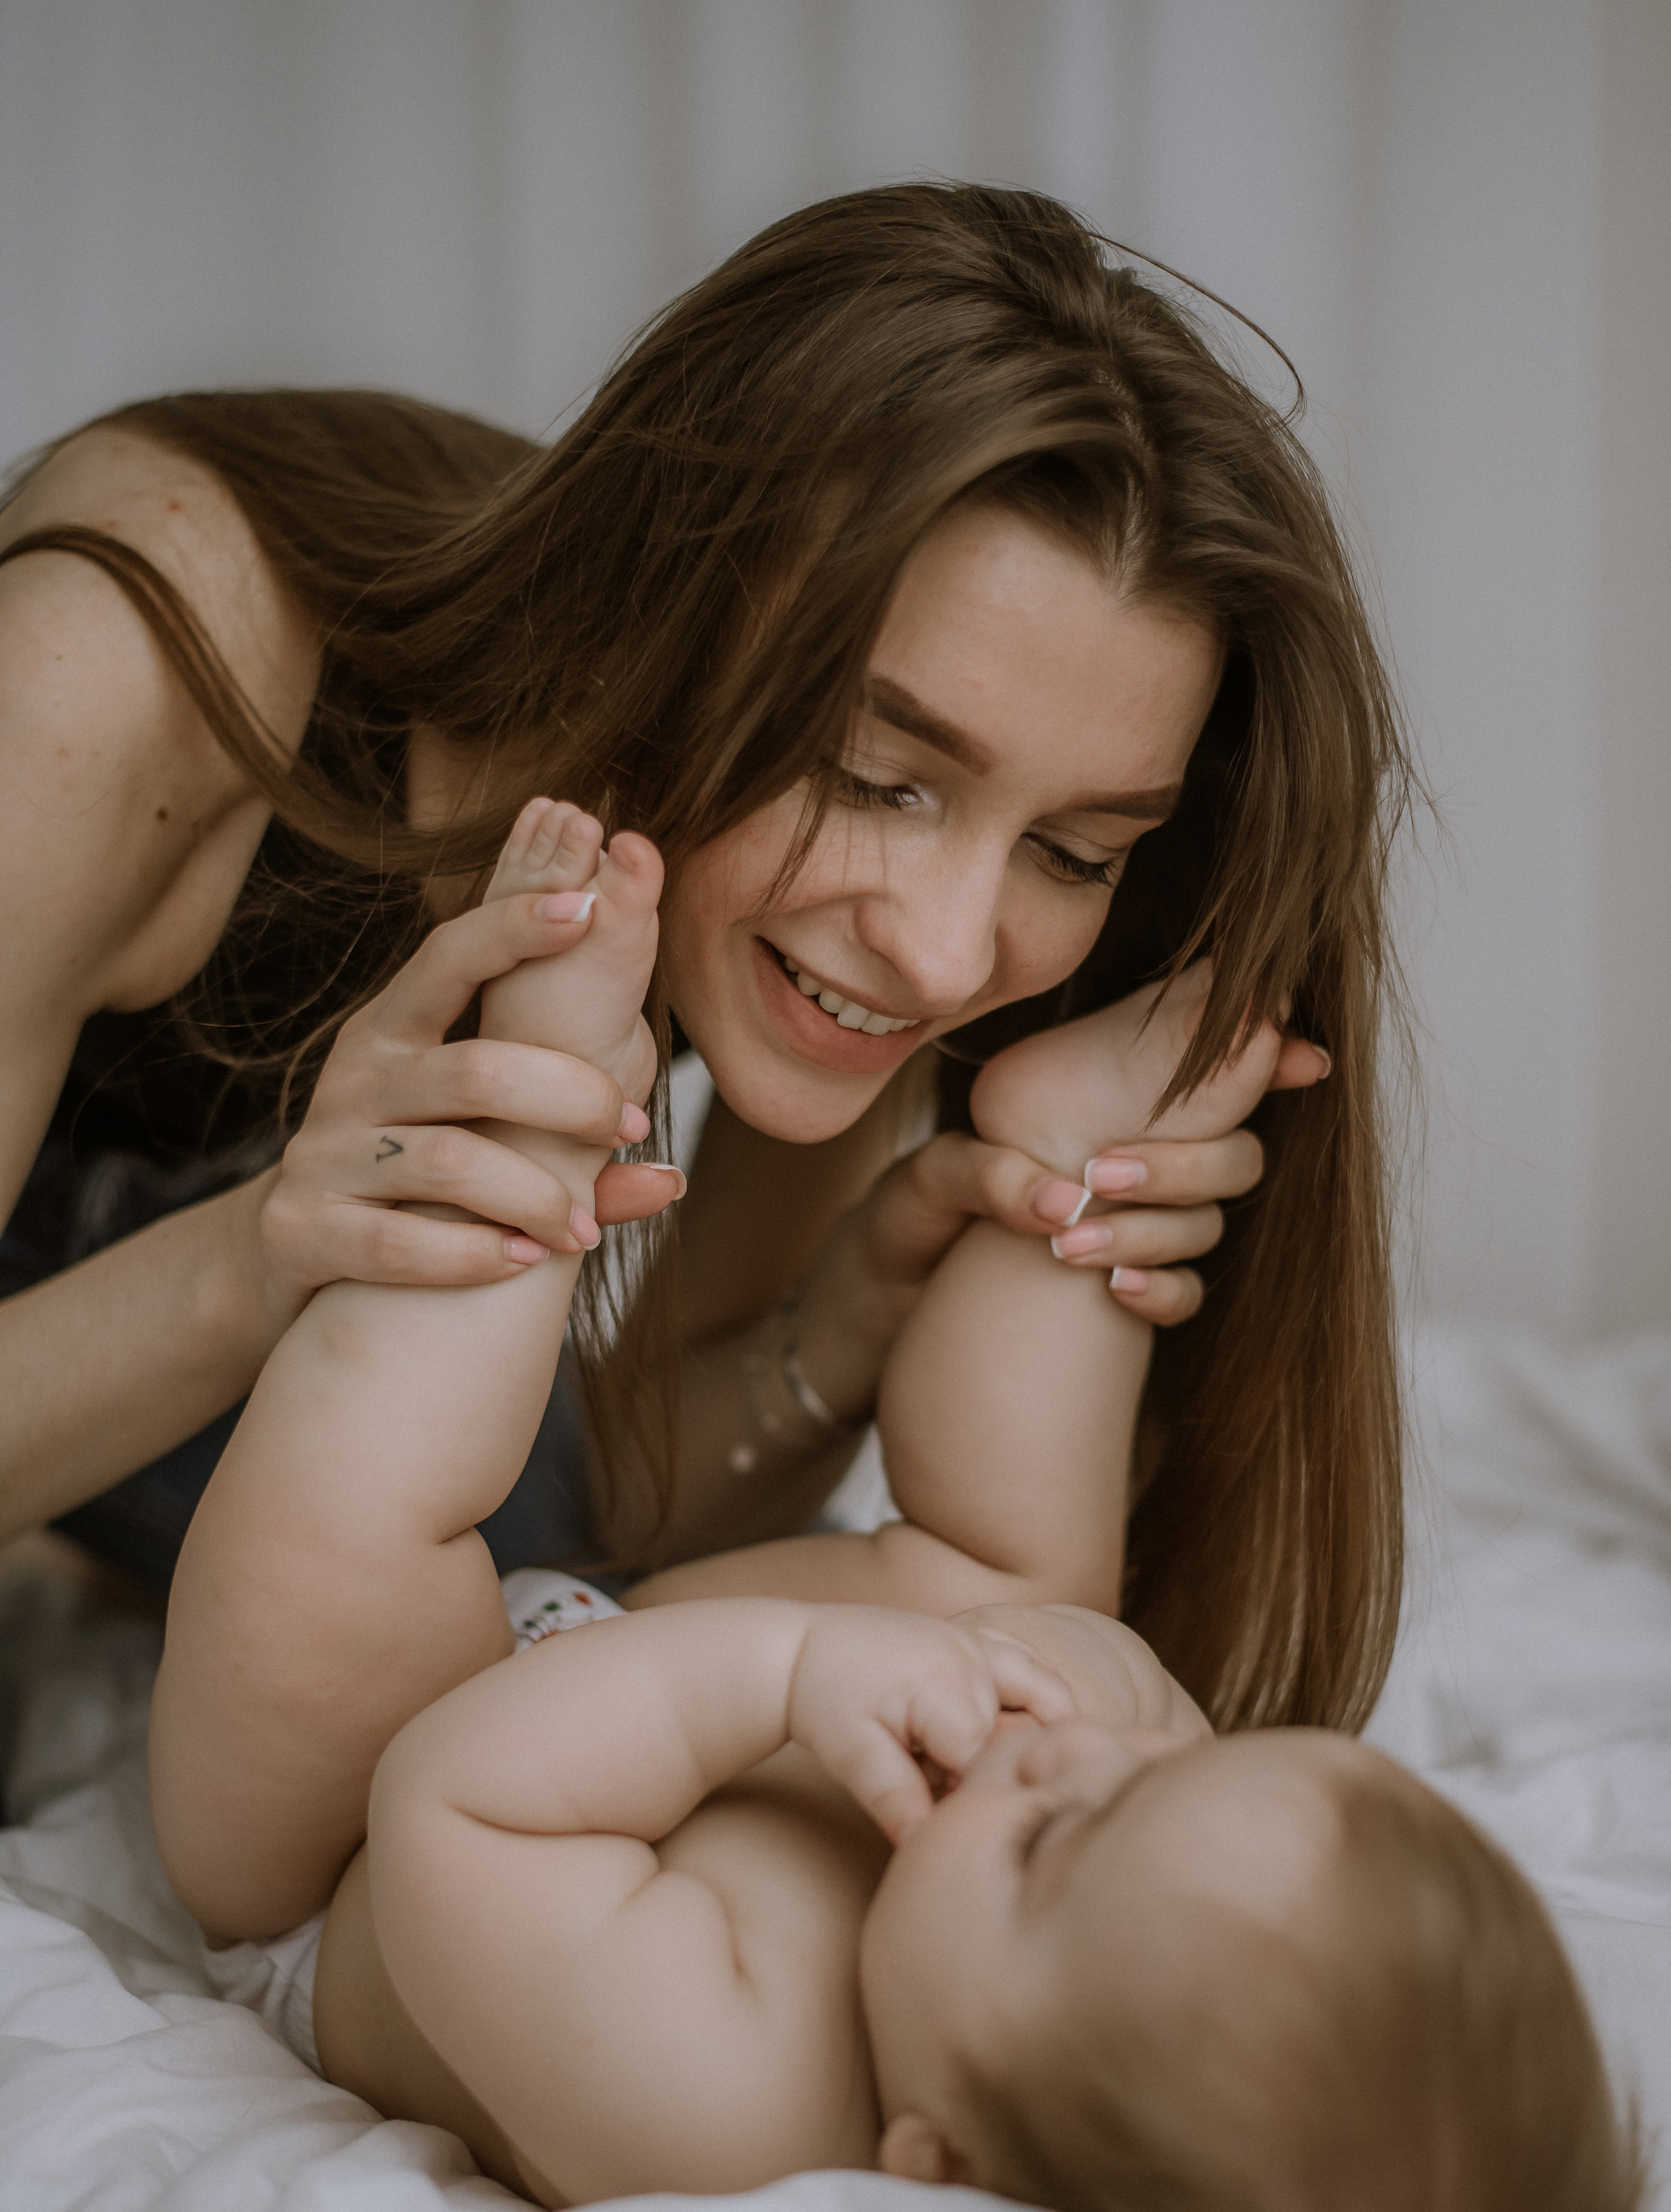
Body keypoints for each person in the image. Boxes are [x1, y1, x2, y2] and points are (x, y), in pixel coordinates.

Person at [148, 821, 1641, 2212]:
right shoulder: (1091, 1880)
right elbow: (1087, 1703)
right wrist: (1057, 1661)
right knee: (1024, 1581)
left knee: (352, 1540)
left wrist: (793, 1673)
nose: (1081, 1759)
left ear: (935, 2172)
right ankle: (1065, 1169)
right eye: (1177, 1770)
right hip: (655, 1681)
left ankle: (541, 1102)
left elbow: (458, 1802)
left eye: (1057, 1842)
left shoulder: (724, 2107)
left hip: (368, 1831)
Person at [3, 182, 1388, 1735]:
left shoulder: (829, 927)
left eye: (1073, 853)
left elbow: (622, 1528)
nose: (939, 956)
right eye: (874, 775)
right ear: (669, 609)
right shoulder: (118, 665)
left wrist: (852, 1318)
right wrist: (258, 1259)